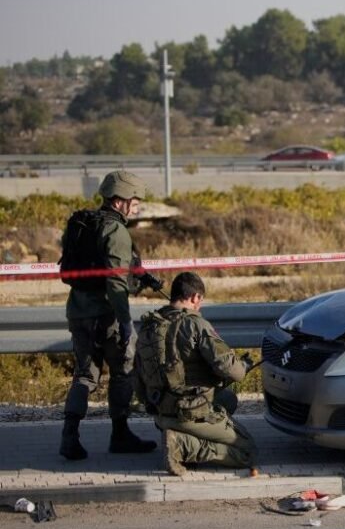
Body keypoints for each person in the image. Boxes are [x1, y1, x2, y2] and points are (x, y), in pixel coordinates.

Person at [58, 171, 160, 460]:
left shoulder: (83, 224)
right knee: (123, 371)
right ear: (119, 201)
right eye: (134, 202)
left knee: (84, 375)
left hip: (77, 312)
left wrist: (140, 276)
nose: (136, 207)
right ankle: (120, 434)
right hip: (107, 315)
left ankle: (69, 436)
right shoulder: (115, 231)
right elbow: (116, 282)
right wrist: (125, 321)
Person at [135, 272, 258, 476]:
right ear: (194, 297)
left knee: (227, 400)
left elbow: (137, 377)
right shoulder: (195, 324)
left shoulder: (149, 325)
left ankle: (178, 435)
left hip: (160, 413)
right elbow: (234, 372)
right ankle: (183, 445)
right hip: (188, 413)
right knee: (248, 451)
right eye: (200, 300)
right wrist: (243, 365)